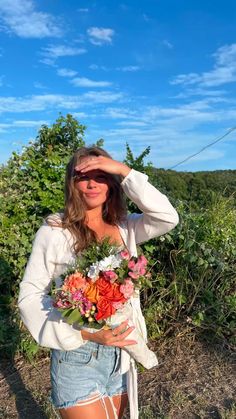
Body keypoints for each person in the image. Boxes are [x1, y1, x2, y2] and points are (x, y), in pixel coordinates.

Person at [18, 146, 179, 419]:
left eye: (101, 175)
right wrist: (84, 333)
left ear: (113, 183)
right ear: (72, 184)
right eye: (83, 176)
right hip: (77, 356)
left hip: (120, 356)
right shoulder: (55, 230)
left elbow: (167, 217)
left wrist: (123, 170)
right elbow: (30, 296)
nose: (92, 183)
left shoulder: (124, 226)